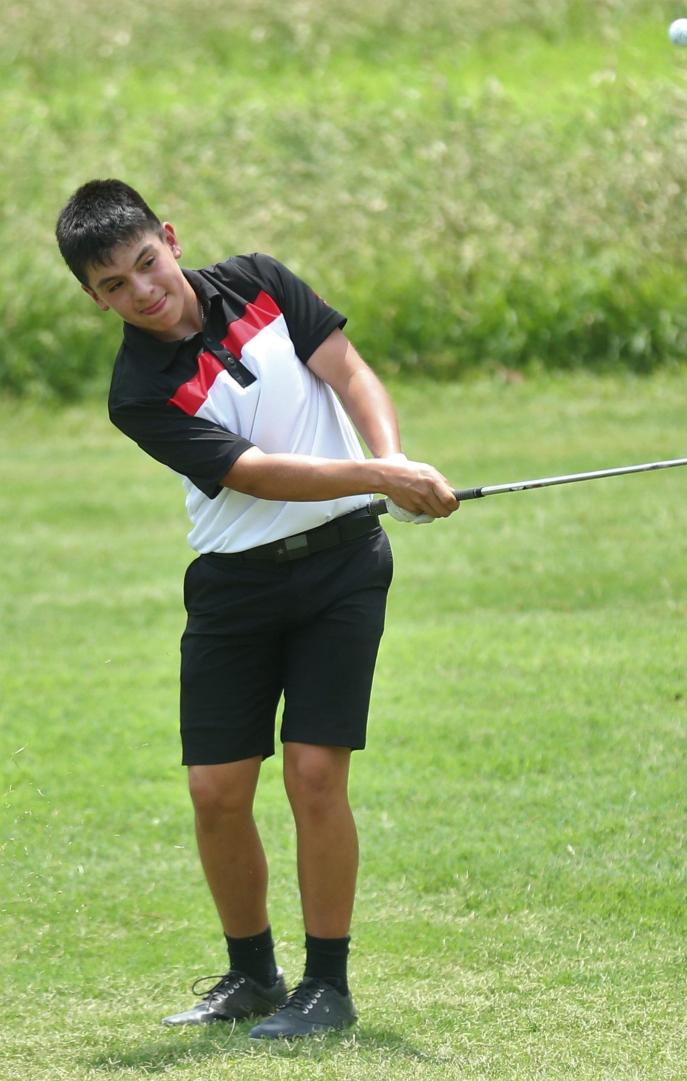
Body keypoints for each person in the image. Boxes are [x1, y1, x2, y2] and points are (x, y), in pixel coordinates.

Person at [55, 179, 458, 1040]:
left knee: (314, 773)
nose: (143, 292)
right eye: (115, 287)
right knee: (216, 791)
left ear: (168, 237)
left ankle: (328, 985)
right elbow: (254, 472)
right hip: (235, 588)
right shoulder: (138, 391)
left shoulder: (262, 282)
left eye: (146, 264)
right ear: (93, 299)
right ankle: (252, 973)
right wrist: (382, 478)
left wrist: (396, 457)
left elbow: (346, 369)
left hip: (344, 568)